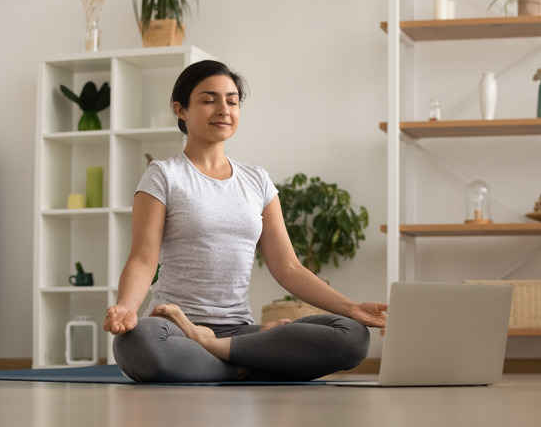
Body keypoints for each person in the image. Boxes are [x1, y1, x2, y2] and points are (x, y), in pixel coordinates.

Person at [103, 60, 387, 383]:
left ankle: (219, 350)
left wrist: (351, 308)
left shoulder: (257, 181)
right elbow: (142, 258)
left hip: (240, 331)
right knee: (136, 343)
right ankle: (244, 363)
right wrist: (127, 307)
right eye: (209, 100)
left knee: (352, 336)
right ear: (180, 110)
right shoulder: (164, 176)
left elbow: (288, 267)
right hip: (175, 327)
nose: (223, 109)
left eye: (232, 100)